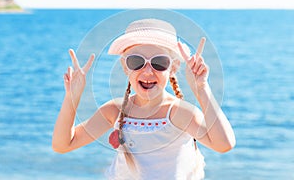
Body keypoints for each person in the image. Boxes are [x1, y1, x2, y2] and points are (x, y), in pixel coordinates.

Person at [52, 18, 236, 179]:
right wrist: (72, 97)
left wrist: (202, 88)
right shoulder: (114, 111)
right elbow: (63, 144)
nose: (147, 71)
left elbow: (224, 144)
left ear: (173, 68)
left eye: (159, 63)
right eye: (136, 62)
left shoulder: (178, 113)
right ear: (125, 67)